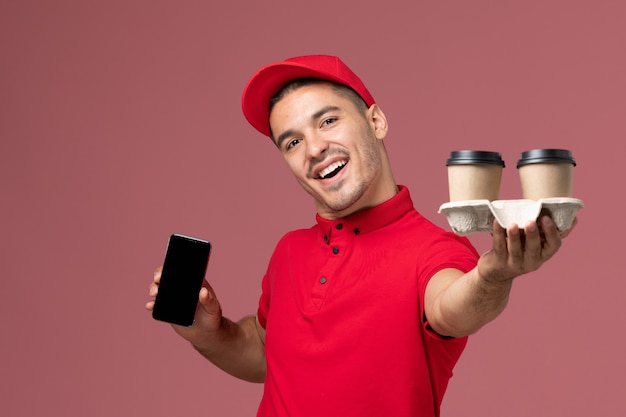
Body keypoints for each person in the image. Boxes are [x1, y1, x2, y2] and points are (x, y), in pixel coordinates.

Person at [146, 55, 576, 416]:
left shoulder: (435, 249)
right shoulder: (288, 252)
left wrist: (493, 276)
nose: (313, 148)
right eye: (292, 142)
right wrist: (210, 332)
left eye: (328, 120)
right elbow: (264, 352)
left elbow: (453, 309)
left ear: (376, 120)